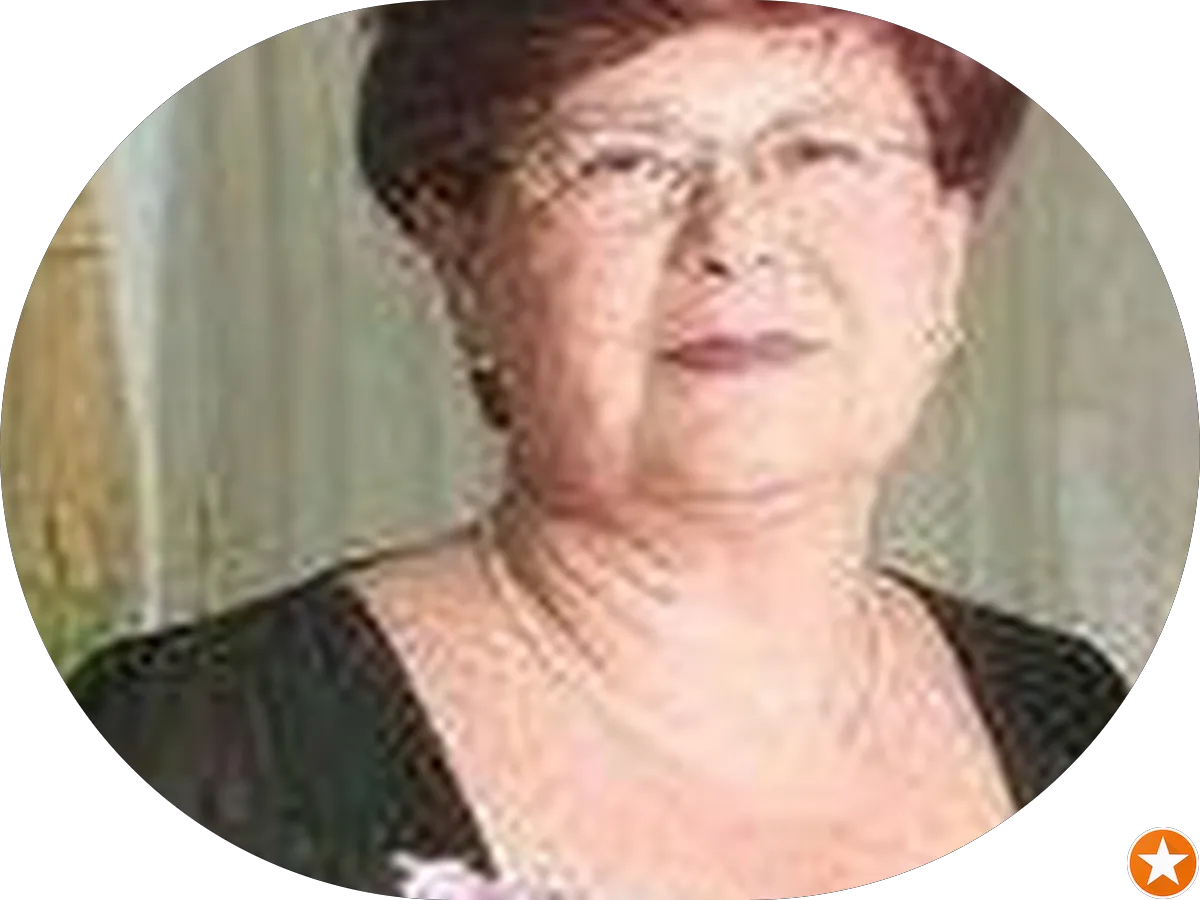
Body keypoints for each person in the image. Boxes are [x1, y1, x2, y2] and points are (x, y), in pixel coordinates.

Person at [68, 3, 1130, 898]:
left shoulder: (1065, 710)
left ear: (946, 250)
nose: (736, 236)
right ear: (464, 266)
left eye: (820, 150)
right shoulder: (188, 746)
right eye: (624, 159)